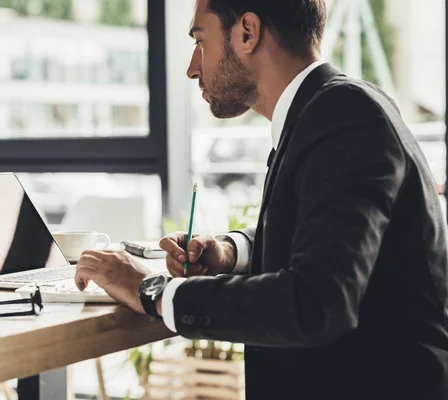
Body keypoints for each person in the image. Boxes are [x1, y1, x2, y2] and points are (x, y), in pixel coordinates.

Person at [74, 0, 448, 398]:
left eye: (201, 41)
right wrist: (231, 252)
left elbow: (317, 302)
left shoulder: (345, 116)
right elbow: (323, 233)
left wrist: (152, 289)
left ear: (248, 32)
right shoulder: (329, 111)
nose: (192, 68)